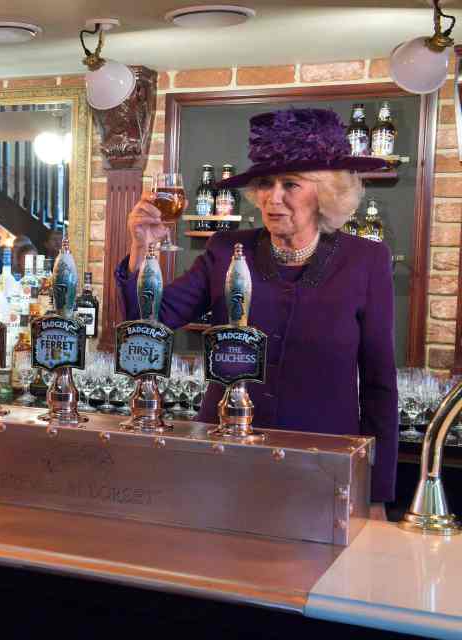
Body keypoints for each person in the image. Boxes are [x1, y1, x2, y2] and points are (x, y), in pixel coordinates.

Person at [116, 108, 397, 518]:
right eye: (265, 183)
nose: (272, 197)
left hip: (322, 469)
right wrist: (143, 246)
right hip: (225, 458)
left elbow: (379, 384)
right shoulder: (226, 249)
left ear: (327, 192)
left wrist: (376, 492)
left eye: (290, 184)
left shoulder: (366, 261)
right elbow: (149, 324)